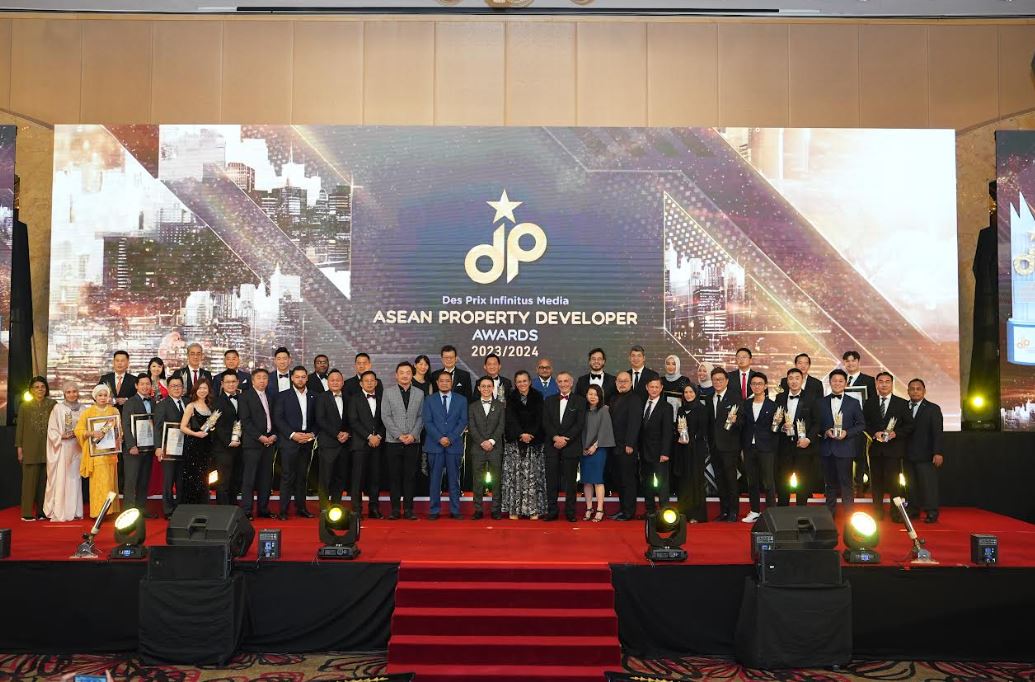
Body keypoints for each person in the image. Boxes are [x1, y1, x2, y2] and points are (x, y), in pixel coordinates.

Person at [817, 369, 866, 516]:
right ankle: (829, 513)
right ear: (830, 382)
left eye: (840, 381)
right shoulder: (820, 402)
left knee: (846, 483)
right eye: (834, 381)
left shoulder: (853, 402)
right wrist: (825, 431)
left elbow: (861, 424)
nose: (837, 383)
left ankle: (850, 514)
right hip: (827, 448)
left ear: (846, 383)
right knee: (829, 484)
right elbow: (816, 424)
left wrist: (847, 433)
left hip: (845, 449)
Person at [867, 371, 914, 520]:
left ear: (892, 384)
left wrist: (896, 434)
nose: (884, 384)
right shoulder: (869, 402)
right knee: (876, 483)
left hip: (894, 450)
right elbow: (864, 423)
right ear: (876, 384)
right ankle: (877, 511)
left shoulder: (901, 403)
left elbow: (910, 425)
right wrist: (874, 433)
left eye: (887, 381)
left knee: (894, 483)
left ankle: (895, 512)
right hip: (876, 450)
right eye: (881, 381)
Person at [422, 371, 468, 520]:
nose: (444, 383)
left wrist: (451, 438)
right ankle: (434, 510)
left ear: (452, 382)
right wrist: (440, 438)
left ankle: (455, 510)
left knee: (454, 480)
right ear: (437, 383)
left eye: (447, 381)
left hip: (454, 445)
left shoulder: (461, 400)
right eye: (441, 381)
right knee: (435, 480)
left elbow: (463, 421)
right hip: (435, 445)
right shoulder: (429, 400)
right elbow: (427, 422)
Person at [542, 372, 587, 522]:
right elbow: (546, 422)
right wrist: (555, 437)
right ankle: (552, 511)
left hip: (571, 446)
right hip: (552, 446)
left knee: (570, 483)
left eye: (566, 381)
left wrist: (565, 440)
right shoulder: (549, 400)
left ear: (571, 383)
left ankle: (570, 512)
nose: (563, 384)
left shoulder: (580, 401)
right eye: (560, 381)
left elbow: (579, 424)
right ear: (557, 384)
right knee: (551, 481)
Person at [381, 362, 424, 520]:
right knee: (394, 476)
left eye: (408, 372)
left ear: (412, 374)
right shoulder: (388, 392)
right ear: (396, 375)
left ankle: (408, 509)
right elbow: (385, 416)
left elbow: (421, 416)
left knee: (410, 477)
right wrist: (399, 435)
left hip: (413, 441)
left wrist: (413, 435)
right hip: (393, 441)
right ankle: (394, 510)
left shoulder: (420, 393)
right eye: (402, 372)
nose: (405, 375)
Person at [273, 366, 317, 518]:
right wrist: (292, 435)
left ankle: (301, 508)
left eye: (303, 377)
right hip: (289, 442)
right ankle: (283, 510)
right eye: (297, 377)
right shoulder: (283, 396)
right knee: (287, 476)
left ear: (307, 378)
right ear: (292, 378)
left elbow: (318, 419)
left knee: (302, 477)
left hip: (307, 441)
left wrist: (312, 434)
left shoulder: (314, 396)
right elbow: (278, 418)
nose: (300, 379)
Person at [502, 370, 546, 519]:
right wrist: (521, 434)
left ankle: (533, 510)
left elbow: (540, 418)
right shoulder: (511, 397)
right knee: (515, 477)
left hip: (534, 443)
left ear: (530, 382)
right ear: (515, 383)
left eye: (524, 381)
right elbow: (510, 419)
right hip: (515, 443)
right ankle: (515, 510)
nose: (522, 384)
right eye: (519, 381)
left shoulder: (538, 396)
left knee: (533, 477)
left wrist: (530, 434)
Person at [774, 368, 820, 508]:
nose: (794, 381)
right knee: (783, 480)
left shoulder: (811, 397)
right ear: (787, 381)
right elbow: (776, 420)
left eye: (797, 378)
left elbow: (817, 423)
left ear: (802, 380)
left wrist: (808, 439)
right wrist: (782, 427)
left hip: (804, 446)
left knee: (803, 481)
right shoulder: (780, 397)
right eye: (791, 378)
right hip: (784, 446)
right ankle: (782, 511)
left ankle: (801, 511)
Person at [76, 383, 122, 518]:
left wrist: (119, 437)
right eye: (100, 395)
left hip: (110, 454)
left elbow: (119, 430)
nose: (102, 398)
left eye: (105, 395)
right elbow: (78, 430)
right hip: (96, 455)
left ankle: (110, 511)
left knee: (110, 483)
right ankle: (98, 512)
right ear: (95, 397)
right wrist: (91, 433)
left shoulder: (114, 411)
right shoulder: (88, 412)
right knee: (98, 484)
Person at [738, 373, 778, 523]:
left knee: (768, 482)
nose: (756, 386)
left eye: (760, 383)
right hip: (749, 447)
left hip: (766, 448)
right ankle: (754, 511)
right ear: (750, 386)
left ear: (765, 386)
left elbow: (775, 429)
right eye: (754, 384)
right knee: (752, 481)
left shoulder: (772, 406)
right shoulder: (745, 404)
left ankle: (771, 513)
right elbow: (742, 426)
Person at [238, 368, 277, 519]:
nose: (262, 380)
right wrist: (260, 437)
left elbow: (275, 418)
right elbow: (245, 421)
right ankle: (247, 510)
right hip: (253, 444)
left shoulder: (271, 396)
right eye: (259, 378)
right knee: (249, 478)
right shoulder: (245, 397)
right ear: (253, 380)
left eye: (265, 378)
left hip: (269, 443)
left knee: (266, 478)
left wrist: (273, 436)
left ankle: (263, 509)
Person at [347, 370, 386, 519]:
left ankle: (374, 508)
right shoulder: (354, 399)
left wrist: (379, 436)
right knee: (358, 478)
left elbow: (386, 420)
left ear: (376, 382)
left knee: (375, 477)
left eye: (372, 380)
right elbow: (353, 421)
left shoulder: (382, 398)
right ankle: (356, 510)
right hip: (360, 444)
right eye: (366, 381)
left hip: (378, 444)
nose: (369, 383)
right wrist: (369, 436)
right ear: (361, 383)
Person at [16, 376, 56, 521]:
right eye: (36, 387)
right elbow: (20, 428)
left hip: (48, 449)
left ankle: (42, 512)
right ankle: (26, 513)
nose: (40, 389)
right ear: (31, 390)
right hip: (30, 448)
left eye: (42, 387)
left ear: (46, 389)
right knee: (29, 483)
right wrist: (19, 448)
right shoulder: (24, 406)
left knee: (44, 484)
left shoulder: (52, 404)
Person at [45, 381, 85, 522]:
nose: (72, 394)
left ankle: (75, 511)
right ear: (64, 394)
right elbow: (51, 429)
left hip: (77, 447)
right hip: (63, 447)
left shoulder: (83, 409)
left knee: (75, 478)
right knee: (63, 477)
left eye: (74, 391)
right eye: (68, 392)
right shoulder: (58, 408)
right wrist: (61, 436)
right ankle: (61, 511)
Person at [905, 378, 944, 523]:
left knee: (928, 486)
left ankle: (931, 511)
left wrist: (938, 452)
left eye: (918, 389)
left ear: (924, 391)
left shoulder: (933, 408)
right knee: (910, 485)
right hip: (907, 454)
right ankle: (913, 510)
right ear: (908, 391)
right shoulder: (903, 407)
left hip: (926, 454)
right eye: (912, 389)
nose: (915, 391)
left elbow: (937, 432)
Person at [468, 376, 506, 520]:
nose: (486, 389)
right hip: (478, 448)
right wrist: (482, 442)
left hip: (495, 447)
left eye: (489, 386)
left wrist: (491, 441)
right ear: (478, 388)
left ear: (493, 388)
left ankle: (496, 509)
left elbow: (501, 426)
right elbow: (472, 426)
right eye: (483, 386)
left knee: (496, 479)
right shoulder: (472, 406)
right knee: (477, 480)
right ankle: (478, 509)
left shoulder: (500, 405)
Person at [708, 367, 742, 522]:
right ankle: (724, 511)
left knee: (731, 480)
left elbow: (742, 420)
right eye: (715, 380)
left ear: (727, 381)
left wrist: (736, 421)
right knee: (719, 480)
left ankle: (734, 512)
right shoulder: (710, 398)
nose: (717, 382)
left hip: (730, 446)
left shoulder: (735, 397)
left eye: (720, 379)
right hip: (714, 446)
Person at [314, 369, 351, 511]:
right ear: (328, 383)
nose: (335, 382)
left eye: (338, 380)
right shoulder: (321, 397)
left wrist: (347, 433)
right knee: (325, 478)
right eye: (332, 380)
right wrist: (337, 434)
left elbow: (352, 419)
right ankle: (324, 508)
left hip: (345, 444)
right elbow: (320, 419)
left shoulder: (349, 397)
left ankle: (336, 506)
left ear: (342, 382)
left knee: (340, 477)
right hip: (328, 444)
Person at [607, 371, 642, 521]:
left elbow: (635, 423)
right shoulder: (613, 398)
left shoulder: (635, 399)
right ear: (616, 383)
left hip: (627, 447)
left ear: (631, 383)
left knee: (628, 481)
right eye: (619, 381)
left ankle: (629, 512)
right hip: (614, 446)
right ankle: (623, 509)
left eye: (625, 381)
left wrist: (630, 443)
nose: (622, 384)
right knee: (619, 480)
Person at [673, 383, 710, 523]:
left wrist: (691, 438)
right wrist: (679, 433)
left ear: (696, 393)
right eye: (686, 392)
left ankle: (697, 514)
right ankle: (684, 513)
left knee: (695, 480)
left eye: (691, 392)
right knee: (683, 480)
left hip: (696, 450)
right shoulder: (681, 409)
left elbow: (703, 430)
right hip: (682, 449)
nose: (688, 395)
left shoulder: (702, 409)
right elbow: (678, 427)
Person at [842, 349, 878, 490]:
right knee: (844, 456)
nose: (850, 363)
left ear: (858, 362)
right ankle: (845, 486)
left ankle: (861, 485)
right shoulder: (841, 380)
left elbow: (872, 403)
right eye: (847, 361)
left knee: (861, 456)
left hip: (861, 425)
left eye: (853, 360)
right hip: (844, 425)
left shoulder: (868, 380)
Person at [122, 373, 156, 515]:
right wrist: (131, 445)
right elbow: (126, 425)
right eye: (142, 384)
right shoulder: (130, 402)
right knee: (131, 481)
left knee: (143, 480)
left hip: (148, 448)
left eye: (148, 384)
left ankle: (141, 509)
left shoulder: (153, 402)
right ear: (136, 386)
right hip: (133, 449)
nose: (145, 386)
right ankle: (128, 512)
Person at [639, 377, 674, 516]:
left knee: (662, 484)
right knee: (646, 483)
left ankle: (665, 512)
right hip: (644, 452)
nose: (654, 389)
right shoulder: (642, 403)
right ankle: (650, 511)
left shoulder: (666, 407)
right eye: (651, 387)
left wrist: (665, 452)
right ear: (647, 387)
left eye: (657, 387)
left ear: (661, 388)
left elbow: (668, 432)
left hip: (659, 453)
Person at [153, 375, 186, 518]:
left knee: (182, 480)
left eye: (179, 386)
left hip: (185, 448)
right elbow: (157, 428)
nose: (177, 388)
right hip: (168, 449)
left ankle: (181, 508)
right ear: (168, 388)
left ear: (183, 388)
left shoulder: (188, 403)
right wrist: (158, 447)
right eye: (173, 386)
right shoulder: (162, 405)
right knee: (168, 480)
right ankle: (168, 510)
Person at [179, 377, 215, 505]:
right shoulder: (191, 406)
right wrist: (196, 434)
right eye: (200, 388)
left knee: (205, 476)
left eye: (205, 388)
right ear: (195, 390)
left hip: (207, 445)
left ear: (209, 390)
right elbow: (182, 427)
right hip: (193, 445)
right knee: (193, 476)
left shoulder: (210, 406)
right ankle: (190, 506)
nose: (202, 390)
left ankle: (203, 505)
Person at [581, 385, 615, 523]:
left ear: (600, 396)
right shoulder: (583, 411)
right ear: (586, 395)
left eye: (596, 394)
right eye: (590, 394)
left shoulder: (604, 410)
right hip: (584, 450)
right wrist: (583, 447)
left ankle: (600, 509)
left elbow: (605, 430)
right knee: (587, 480)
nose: (593, 397)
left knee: (597, 480)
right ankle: (589, 508)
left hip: (598, 449)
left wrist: (595, 446)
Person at [210, 372, 242, 506]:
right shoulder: (217, 401)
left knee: (235, 479)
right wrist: (229, 441)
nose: (231, 384)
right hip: (223, 448)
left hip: (240, 446)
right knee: (223, 481)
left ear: (238, 382)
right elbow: (216, 425)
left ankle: (233, 508)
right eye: (228, 382)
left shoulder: (242, 399)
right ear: (222, 384)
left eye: (233, 381)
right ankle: (223, 510)